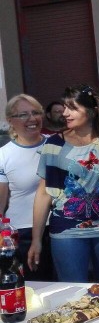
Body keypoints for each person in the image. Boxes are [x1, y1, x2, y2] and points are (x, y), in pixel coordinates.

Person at [28, 85, 99, 283]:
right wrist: (36, 239)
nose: (65, 113)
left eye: (72, 107)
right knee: (72, 293)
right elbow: (44, 193)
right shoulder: (54, 143)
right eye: (64, 107)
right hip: (66, 231)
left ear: (92, 110)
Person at [0, 95, 54, 280]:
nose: (32, 119)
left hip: (60, 227)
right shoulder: (4, 155)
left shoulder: (56, 144)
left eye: (36, 113)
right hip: (23, 233)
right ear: (10, 121)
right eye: (23, 115)